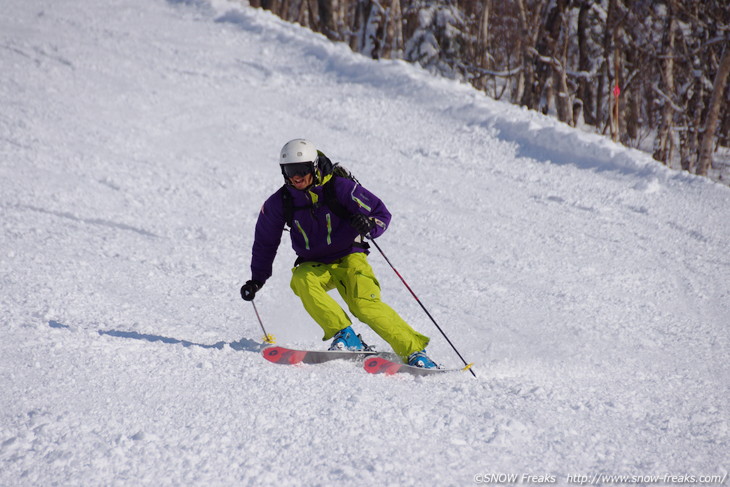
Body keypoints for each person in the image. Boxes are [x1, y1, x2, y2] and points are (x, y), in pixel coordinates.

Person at [240, 139, 438, 368]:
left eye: (301, 169)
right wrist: (257, 279)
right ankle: (345, 335)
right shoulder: (281, 202)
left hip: (350, 257)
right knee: (301, 279)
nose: (296, 176)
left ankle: (415, 352)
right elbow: (265, 241)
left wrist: (369, 225)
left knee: (363, 305)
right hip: (315, 264)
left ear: (314, 167)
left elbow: (381, 214)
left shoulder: (339, 188)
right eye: (289, 170)